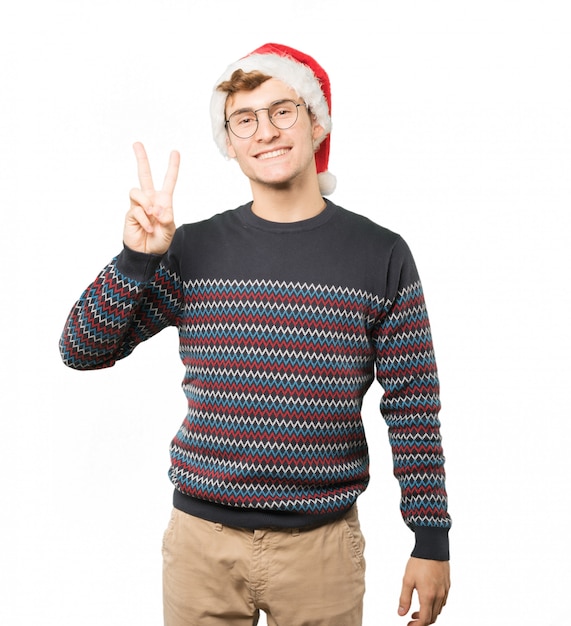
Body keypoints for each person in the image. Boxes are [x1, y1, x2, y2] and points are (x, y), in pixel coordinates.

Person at [60, 43, 451, 626]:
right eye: (245, 119)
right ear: (230, 142)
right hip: (201, 545)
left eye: (282, 111)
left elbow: (412, 405)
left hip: (322, 550)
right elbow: (80, 350)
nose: (265, 131)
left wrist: (430, 539)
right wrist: (136, 260)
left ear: (316, 123)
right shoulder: (190, 248)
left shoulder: (381, 254)